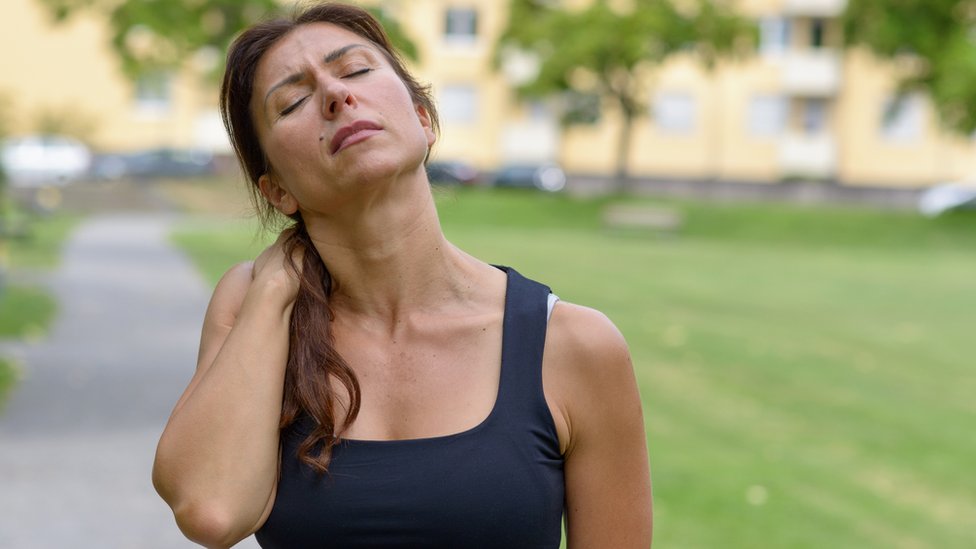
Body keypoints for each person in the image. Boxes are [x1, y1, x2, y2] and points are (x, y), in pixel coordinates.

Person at [152, 3, 652, 548]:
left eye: (356, 70)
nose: (335, 96)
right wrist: (274, 287)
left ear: (423, 119)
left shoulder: (576, 346)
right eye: (292, 101)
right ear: (278, 191)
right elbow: (212, 511)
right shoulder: (255, 308)